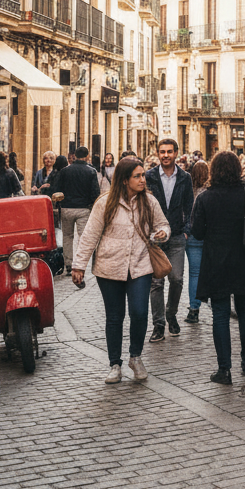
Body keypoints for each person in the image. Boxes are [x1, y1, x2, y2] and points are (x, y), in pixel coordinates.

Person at [70, 157, 170, 383]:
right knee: (114, 317)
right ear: (124, 180)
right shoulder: (105, 203)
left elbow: (163, 224)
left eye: (143, 175)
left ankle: (135, 356)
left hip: (140, 266)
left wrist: (163, 232)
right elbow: (89, 236)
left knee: (139, 313)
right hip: (109, 268)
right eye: (137, 176)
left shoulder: (149, 202)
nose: (143, 179)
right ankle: (114, 364)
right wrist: (79, 265)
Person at [193, 151, 245, 384]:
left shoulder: (205, 197)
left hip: (217, 262)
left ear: (213, 171)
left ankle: (224, 369)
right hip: (244, 260)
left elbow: (197, 232)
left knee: (221, 315)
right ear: (238, 169)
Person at [145, 138, 194, 343]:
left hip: (176, 237)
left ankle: (171, 313)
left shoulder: (185, 178)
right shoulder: (148, 177)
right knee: (156, 283)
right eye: (162, 152)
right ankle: (158, 325)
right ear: (158, 154)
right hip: (155, 238)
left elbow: (190, 207)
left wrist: (186, 231)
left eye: (169, 152)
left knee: (176, 279)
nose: (165, 155)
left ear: (176, 153)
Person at [52, 146, 99, 270]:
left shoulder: (65, 171)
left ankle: (68, 263)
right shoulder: (91, 171)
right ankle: (80, 263)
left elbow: (57, 189)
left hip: (67, 208)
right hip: (83, 209)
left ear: (75, 156)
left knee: (67, 236)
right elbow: (95, 193)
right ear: (87, 156)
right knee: (83, 237)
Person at [184, 160, 209, 325]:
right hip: (207, 236)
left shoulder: (188, 191)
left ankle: (194, 309)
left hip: (191, 235)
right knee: (207, 272)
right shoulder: (210, 191)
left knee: (194, 273)